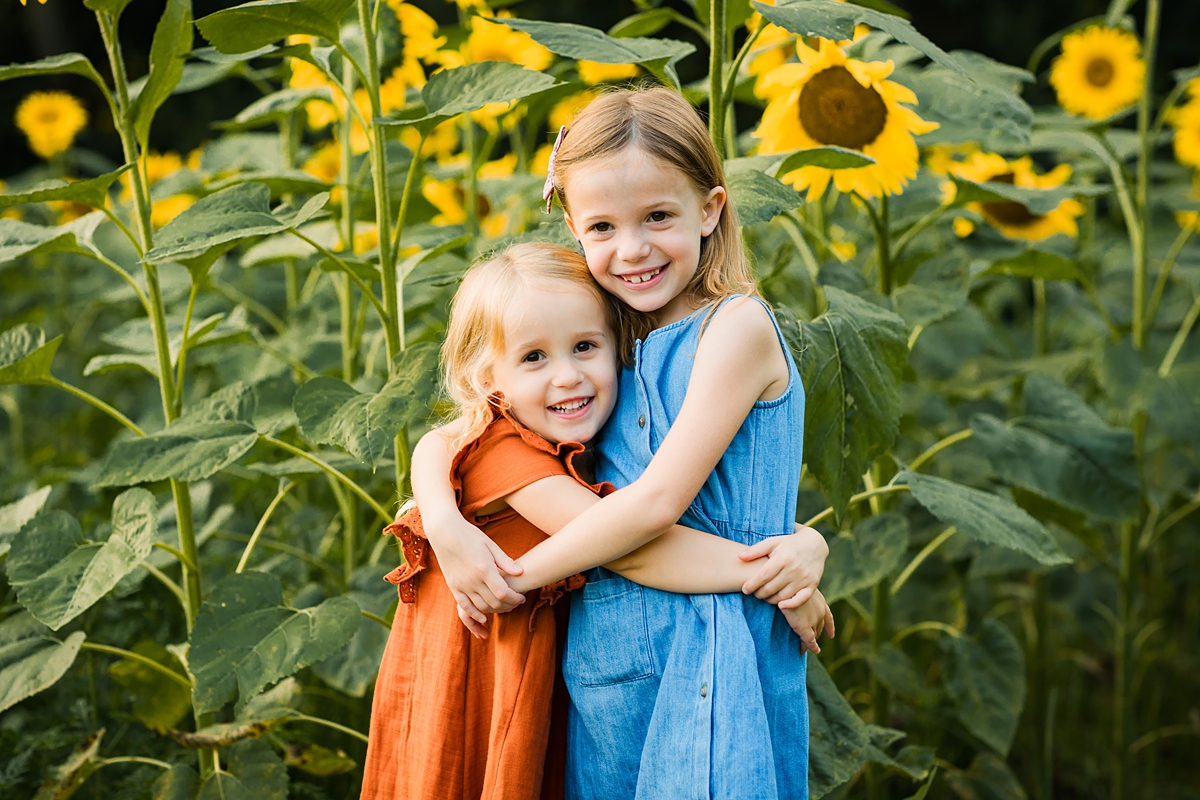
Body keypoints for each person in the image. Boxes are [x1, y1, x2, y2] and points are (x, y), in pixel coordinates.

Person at [410, 87, 830, 800]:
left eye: (658, 217)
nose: (632, 249)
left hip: (712, 651)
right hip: (608, 664)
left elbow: (652, 507)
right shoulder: (603, 338)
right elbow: (456, 433)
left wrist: (516, 576)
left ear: (711, 209)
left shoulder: (734, 329)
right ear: (574, 227)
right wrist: (446, 527)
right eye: (602, 227)